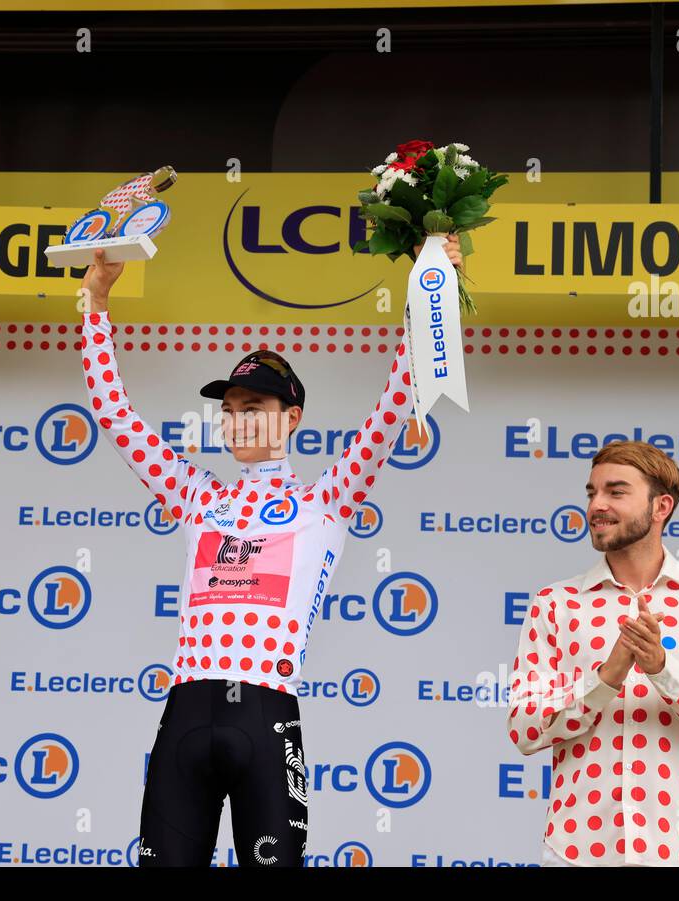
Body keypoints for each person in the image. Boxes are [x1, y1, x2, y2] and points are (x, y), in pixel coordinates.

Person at [78, 236, 461, 866]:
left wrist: (430, 287)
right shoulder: (194, 494)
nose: (235, 421)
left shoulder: (328, 499)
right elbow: (113, 412)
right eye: (227, 410)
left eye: (253, 407)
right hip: (186, 712)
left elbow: (397, 398)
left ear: (293, 418)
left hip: (267, 716)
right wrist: (96, 302)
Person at [506, 440, 679, 866]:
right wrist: (605, 680)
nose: (596, 506)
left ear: (661, 507)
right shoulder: (555, 604)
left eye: (615, 492)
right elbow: (524, 729)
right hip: (575, 853)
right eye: (592, 492)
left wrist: (663, 670)